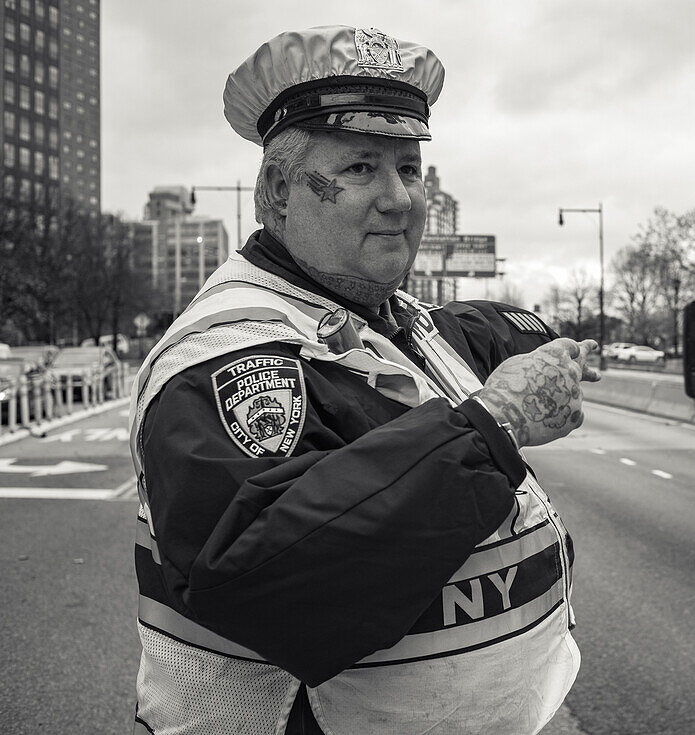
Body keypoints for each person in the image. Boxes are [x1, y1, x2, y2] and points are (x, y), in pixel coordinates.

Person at [127, 24, 599, 735]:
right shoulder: (229, 357)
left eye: (408, 169)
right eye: (360, 169)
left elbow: (491, 324)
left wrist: (554, 342)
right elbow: (265, 575)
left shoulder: (395, 321)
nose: (399, 198)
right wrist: (496, 421)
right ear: (280, 190)